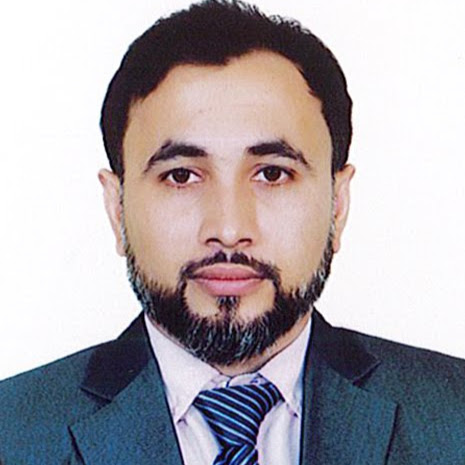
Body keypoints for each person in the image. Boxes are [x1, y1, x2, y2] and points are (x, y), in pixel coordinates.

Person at [1, 1, 464, 463]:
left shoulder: (452, 417)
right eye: (181, 176)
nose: (228, 229)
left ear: (337, 205)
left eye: (273, 174)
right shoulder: (13, 433)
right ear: (117, 209)